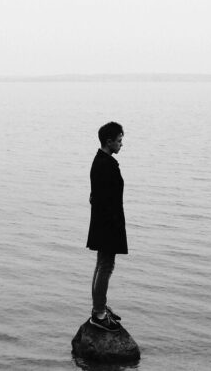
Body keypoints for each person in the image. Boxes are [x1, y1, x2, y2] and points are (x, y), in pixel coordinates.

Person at [86, 121, 127, 332]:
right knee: (106, 266)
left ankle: (98, 309)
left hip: (102, 222)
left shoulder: (100, 161)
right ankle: (99, 314)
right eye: (119, 141)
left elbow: (95, 196)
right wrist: (115, 227)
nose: (121, 145)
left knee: (101, 264)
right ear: (108, 141)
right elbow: (104, 198)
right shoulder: (106, 164)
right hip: (108, 224)